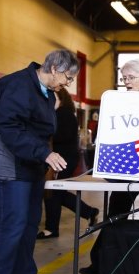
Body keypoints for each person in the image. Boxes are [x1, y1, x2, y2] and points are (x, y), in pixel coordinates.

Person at [0, 49, 80, 274]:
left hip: (29, 165)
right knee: (11, 225)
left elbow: (41, 130)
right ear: (54, 68)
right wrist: (44, 153)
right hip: (5, 166)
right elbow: (9, 127)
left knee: (30, 223)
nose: (69, 83)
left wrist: (45, 157)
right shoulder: (17, 85)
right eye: (68, 77)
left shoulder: (46, 93)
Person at [79, 59, 139, 274]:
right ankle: (100, 262)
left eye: (131, 78)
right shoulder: (119, 100)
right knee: (116, 214)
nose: (126, 82)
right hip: (127, 167)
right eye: (124, 78)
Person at [37, 88, 99, 239]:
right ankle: (89, 212)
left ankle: (51, 229)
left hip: (63, 159)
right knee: (58, 192)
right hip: (61, 158)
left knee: (52, 193)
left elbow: (62, 137)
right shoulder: (59, 114)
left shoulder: (63, 114)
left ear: (61, 99)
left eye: (53, 98)